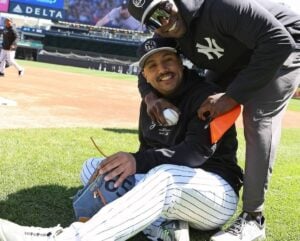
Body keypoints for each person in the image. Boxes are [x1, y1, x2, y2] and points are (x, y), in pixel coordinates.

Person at [0, 37, 243, 241]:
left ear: (180, 63)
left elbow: (193, 154)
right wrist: (131, 163)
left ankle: (68, 238)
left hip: (214, 192)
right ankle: (161, 224)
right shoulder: (150, 103)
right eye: (152, 66)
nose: (162, 70)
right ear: (144, 76)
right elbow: (148, 149)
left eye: (168, 60)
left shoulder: (207, 96)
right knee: (95, 167)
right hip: (171, 189)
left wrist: (136, 161)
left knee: (164, 177)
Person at [127, 0, 300, 240]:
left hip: (282, 44)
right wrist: (149, 97)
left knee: (258, 120)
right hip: (238, 52)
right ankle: (197, 185)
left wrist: (232, 96)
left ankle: (253, 219)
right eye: (153, 20)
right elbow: (148, 60)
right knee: (203, 96)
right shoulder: (166, 28)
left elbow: (279, 42)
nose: (163, 20)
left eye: (163, 8)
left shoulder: (220, 6)